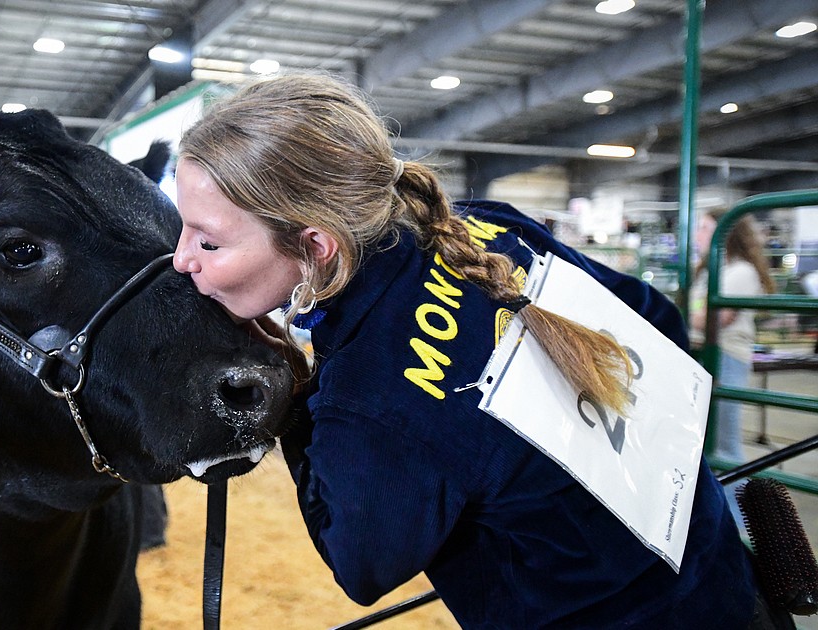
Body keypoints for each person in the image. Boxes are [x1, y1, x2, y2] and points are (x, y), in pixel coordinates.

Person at [172, 74, 771, 628]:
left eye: (208, 240)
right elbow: (657, 321)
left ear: (314, 245)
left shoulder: (371, 398)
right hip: (719, 572)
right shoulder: (489, 228)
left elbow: (360, 566)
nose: (182, 259)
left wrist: (294, 397)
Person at [690, 210, 775, 463]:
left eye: (705, 227)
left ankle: (733, 502)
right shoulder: (710, 272)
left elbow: (715, 319)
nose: (698, 234)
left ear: (725, 232)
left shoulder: (741, 272)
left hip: (726, 356)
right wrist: (697, 313)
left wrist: (695, 313)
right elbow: (698, 312)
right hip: (703, 354)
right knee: (705, 439)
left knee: (723, 443)